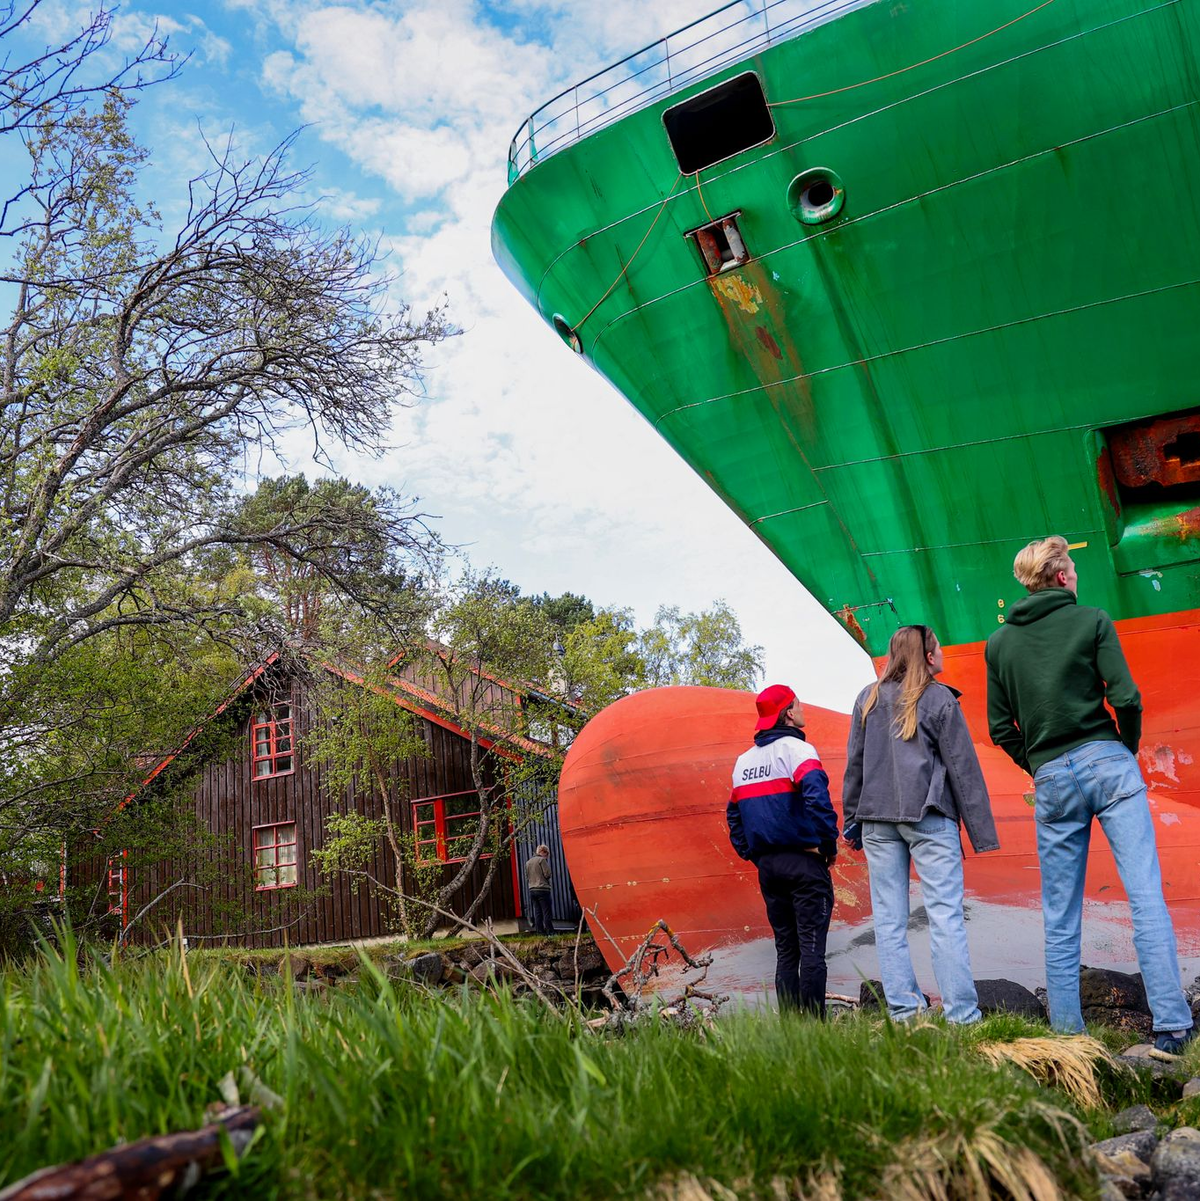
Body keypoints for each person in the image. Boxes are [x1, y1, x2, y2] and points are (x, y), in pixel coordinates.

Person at [986, 535, 1195, 1050]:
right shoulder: (1092, 620)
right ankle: (1172, 1028)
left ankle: (1067, 1036)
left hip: (1051, 777)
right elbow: (1126, 696)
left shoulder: (998, 645)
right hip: (1107, 761)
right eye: (1073, 570)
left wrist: (1038, 764)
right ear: (1060, 576)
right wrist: (1125, 749)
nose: (1076, 577)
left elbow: (1000, 728)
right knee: (1145, 897)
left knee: (1060, 915)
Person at [842, 624, 999, 1024]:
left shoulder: (867, 698)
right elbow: (963, 770)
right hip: (928, 815)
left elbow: (854, 766)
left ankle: (904, 1012)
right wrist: (981, 834)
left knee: (888, 920)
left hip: (876, 820)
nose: (943, 652)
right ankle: (961, 1015)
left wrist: (852, 821)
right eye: (939, 647)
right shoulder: (938, 699)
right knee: (945, 916)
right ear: (928, 656)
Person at [727, 684, 839, 1015]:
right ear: (789, 713)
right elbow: (818, 800)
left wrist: (752, 854)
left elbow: (734, 815)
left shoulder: (743, 762)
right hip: (805, 863)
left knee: (787, 951)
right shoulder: (799, 751)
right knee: (812, 949)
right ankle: (815, 1029)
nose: (802, 710)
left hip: (769, 869)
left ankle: (791, 1030)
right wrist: (828, 845)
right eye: (798, 705)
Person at [525, 844, 553, 935]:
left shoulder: (528, 862)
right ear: (543, 852)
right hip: (543, 889)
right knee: (546, 911)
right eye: (547, 854)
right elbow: (547, 874)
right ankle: (550, 932)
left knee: (537, 912)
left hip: (532, 889)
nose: (547, 857)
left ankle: (540, 932)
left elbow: (527, 876)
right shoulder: (542, 860)